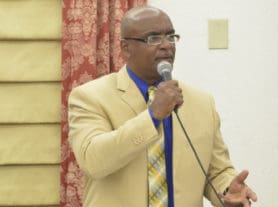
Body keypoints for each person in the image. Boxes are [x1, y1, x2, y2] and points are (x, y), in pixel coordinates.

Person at [68, 5, 257, 207]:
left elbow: (216, 171)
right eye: (153, 38)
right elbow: (93, 161)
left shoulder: (201, 103)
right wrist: (152, 116)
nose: (167, 45)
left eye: (171, 37)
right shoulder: (89, 97)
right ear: (125, 48)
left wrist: (229, 191)